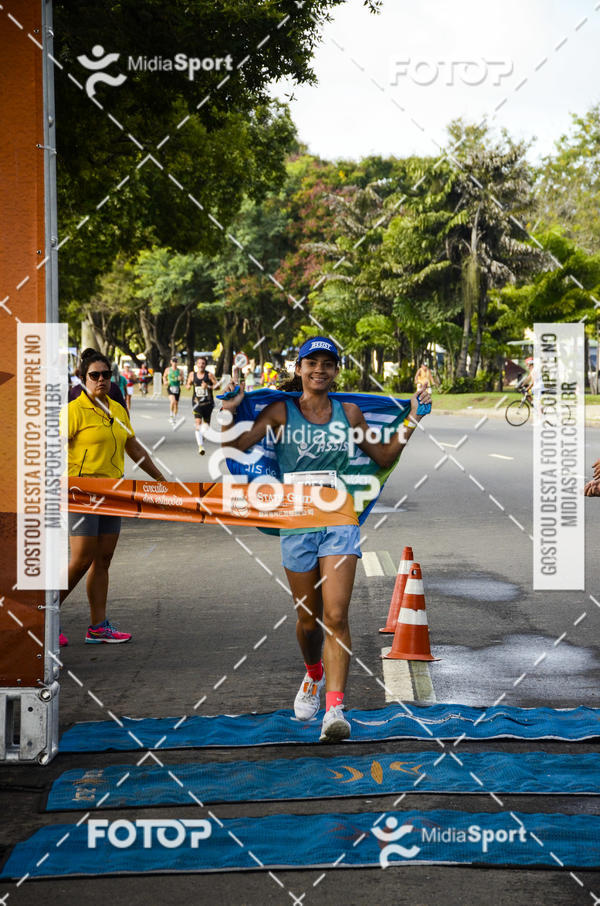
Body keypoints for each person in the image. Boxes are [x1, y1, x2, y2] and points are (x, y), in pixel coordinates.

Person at [220, 336, 431, 742]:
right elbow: (240, 448)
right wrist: (229, 412)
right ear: (298, 369)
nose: (320, 369)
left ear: (336, 371)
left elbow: (383, 457)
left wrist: (413, 419)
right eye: (311, 362)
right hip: (295, 520)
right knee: (308, 620)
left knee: (336, 615)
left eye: (327, 363)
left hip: (338, 517)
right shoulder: (280, 411)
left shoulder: (348, 412)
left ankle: (335, 707)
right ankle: (313, 674)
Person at [60, 350, 165, 645]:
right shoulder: (73, 411)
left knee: (102, 560)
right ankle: (43, 621)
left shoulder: (117, 410)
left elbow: (134, 449)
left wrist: (161, 480)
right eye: (95, 375)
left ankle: (98, 626)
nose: (101, 380)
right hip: (80, 493)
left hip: (112, 493)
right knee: (81, 559)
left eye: (106, 375)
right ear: (83, 379)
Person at [186, 356, 219, 455]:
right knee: (198, 423)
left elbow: (217, 386)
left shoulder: (209, 375)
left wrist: (208, 386)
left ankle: (201, 438)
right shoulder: (192, 375)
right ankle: (200, 447)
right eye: (199, 363)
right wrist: (188, 386)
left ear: (205, 365)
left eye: (203, 363)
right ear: (197, 364)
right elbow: (188, 384)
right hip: (197, 403)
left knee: (206, 428)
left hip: (208, 403)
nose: (201, 365)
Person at [163, 356, 183, 424]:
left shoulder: (180, 371)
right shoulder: (168, 370)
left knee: (176, 404)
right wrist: (165, 381)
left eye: (176, 361)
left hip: (177, 388)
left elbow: (182, 379)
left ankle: (174, 417)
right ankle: (171, 415)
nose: (174, 363)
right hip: (170, 387)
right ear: (171, 362)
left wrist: (181, 379)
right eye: (173, 361)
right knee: (173, 401)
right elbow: (164, 376)